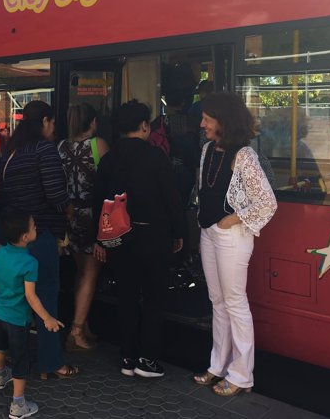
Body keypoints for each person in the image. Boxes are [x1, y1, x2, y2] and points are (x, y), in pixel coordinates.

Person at [193, 92, 277, 396]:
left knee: (235, 303)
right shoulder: (206, 150)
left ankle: (241, 375)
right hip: (209, 232)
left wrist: (233, 219)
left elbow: (267, 202)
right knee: (218, 302)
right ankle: (218, 365)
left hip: (230, 236)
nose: (202, 124)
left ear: (223, 122)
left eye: (207, 119)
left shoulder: (244, 155)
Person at [94, 100, 185, 378]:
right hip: (153, 237)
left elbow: (99, 202)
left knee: (127, 297)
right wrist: (180, 233)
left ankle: (127, 357)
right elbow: (172, 199)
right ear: (144, 126)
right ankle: (147, 360)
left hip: (119, 239)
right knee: (154, 298)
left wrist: (99, 240)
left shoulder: (108, 159)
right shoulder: (156, 157)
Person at [0, 100, 78, 380]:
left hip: (15, 239)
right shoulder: (44, 150)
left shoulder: (11, 152)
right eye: (53, 122)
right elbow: (56, 195)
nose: (54, 128)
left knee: (17, 301)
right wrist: (70, 210)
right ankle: (51, 363)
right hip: (39, 235)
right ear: (45, 121)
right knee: (45, 299)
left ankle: (14, 358)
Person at [0, 208, 64, 419]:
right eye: (34, 227)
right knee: (20, 360)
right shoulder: (30, 262)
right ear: (25, 237)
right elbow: (31, 297)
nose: (36, 229)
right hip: (18, 319)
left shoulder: (1, 253)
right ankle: (18, 405)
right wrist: (47, 318)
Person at [57, 103, 108, 351]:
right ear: (94, 122)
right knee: (91, 273)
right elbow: (108, 180)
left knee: (80, 271)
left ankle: (83, 322)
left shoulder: (61, 147)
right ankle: (76, 331)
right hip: (92, 214)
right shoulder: (98, 145)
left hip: (71, 215)